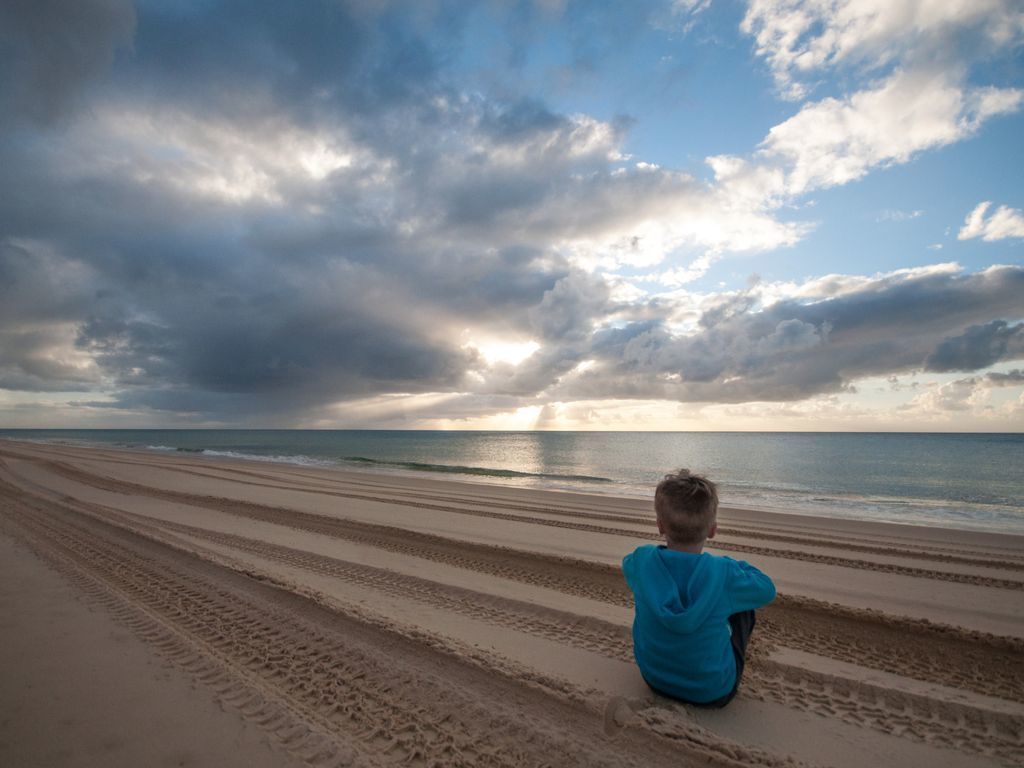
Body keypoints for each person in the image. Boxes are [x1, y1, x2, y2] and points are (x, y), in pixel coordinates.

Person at [622, 469, 775, 707]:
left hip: (654, 679)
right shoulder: (723, 573)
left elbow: (628, 565)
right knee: (744, 607)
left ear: (660, 527)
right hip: (713, 692)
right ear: (712, 530)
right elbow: (766, 590)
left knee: (647, 589)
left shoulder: (641, 560)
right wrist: (730, 564)